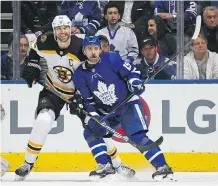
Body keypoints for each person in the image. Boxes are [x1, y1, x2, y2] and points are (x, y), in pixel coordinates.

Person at [14, 15, 135, 181]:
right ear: (54, 30)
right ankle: (28, 163)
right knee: (43, 120)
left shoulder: (80, 47)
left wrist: (81, 95)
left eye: (65, 28)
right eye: (59, 28)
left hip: (80, 93)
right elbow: (34, 52)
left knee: (97, 125)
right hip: (53, 89)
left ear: (71, 28)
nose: (62, 32)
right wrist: (32, 65)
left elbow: (91, 70)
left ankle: (116, 164)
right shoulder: (44, 40)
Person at [71, 36, 176, 181]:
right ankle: (105, 166)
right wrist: (96, 116)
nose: (93, 52)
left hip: (127, 105)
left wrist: (134, 82)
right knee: (90, 131)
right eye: (89, 49)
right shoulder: (79, 75)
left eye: (96, 48)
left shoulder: (111, 59)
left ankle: (163, 168)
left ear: (100, 49)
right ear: (84, 51)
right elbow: (88, 101)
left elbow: (131, 72)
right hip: (107, 113)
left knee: (137, 136)